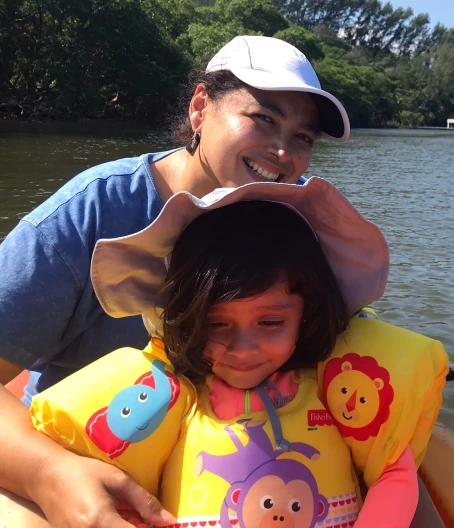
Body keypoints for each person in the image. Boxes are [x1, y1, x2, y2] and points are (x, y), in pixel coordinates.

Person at [0, 35, 351, 527]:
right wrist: (48, 474)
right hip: (75, 465)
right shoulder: (90, 214)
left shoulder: (300, 230)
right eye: (263, 119)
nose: (281, 152)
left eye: (303, 138)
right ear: (200, 108)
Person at [30, 179, 419, 528]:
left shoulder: (336, 391)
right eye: (215, 324)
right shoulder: (173, 403)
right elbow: (118, 495)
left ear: (308, 312)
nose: (243, 349)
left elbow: (393, 473)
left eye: (270, 322)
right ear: (185, 319)